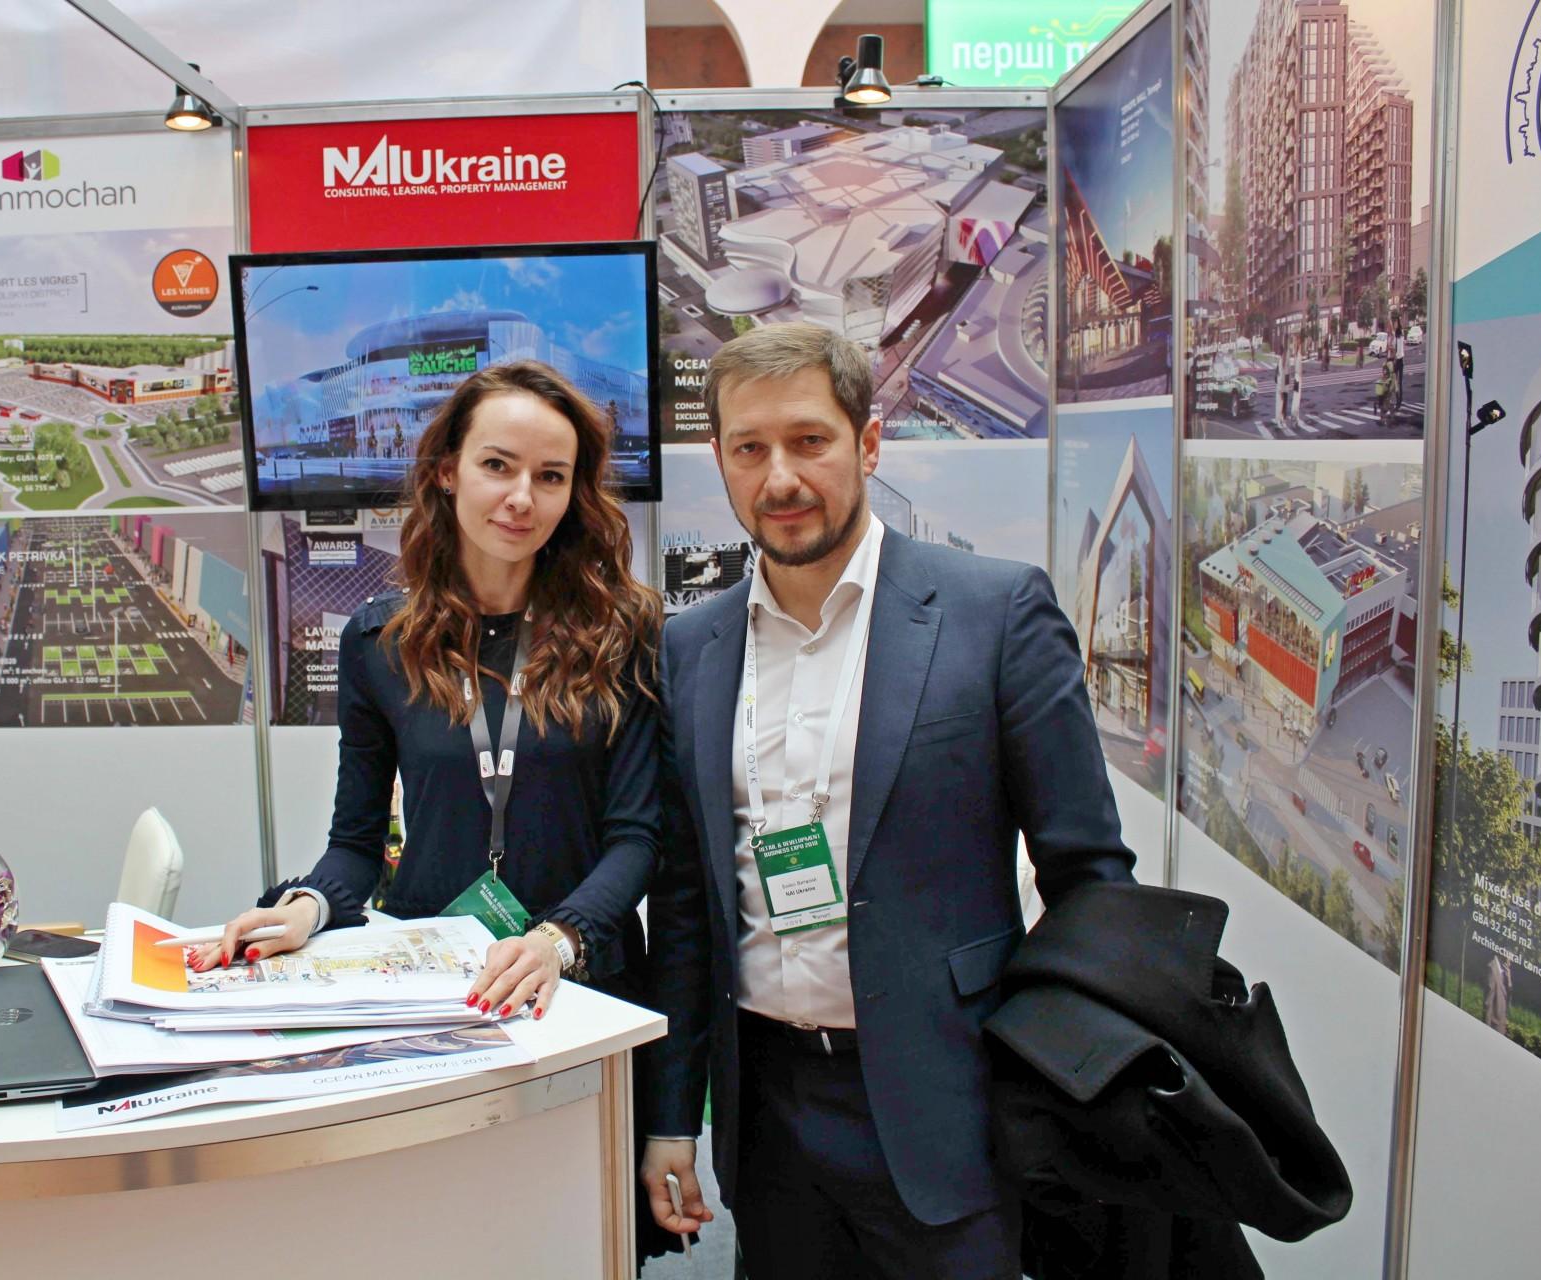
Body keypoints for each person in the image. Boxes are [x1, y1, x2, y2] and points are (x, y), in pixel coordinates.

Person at [640, 322, 1136, 1279]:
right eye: (749, 449)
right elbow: (689, 904)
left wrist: (1066, 1090)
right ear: (722, 462)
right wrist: (671, 1117)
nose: (781, 478)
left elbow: (1090, 879)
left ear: (868, 443)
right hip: (769, 1120)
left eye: (809, 441)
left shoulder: (995, 612)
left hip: (950, 1108)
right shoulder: (691, 646)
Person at [195, 361, 680, 1256]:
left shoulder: (624, 632)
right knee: (440, 1237)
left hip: (583, 984)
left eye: (550, 476)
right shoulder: (380, 639)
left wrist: (557, 939)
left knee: (582, 1241)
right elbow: (354, 842)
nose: (522, 498)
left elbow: (638, 836)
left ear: (575, 493)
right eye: (498, 466)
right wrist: (308, 906)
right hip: (435, 993)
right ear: (448, 471)